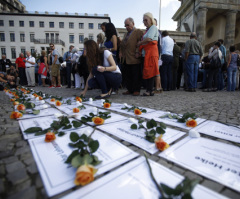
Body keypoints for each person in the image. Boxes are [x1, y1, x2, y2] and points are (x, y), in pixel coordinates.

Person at [137, 12, 159, 96]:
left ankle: (149, 90)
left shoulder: (153, 27)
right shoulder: (148, 29)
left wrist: (140, 43)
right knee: (148, 70)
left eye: (146, 20)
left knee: (150, 71)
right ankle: (149, 90)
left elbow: (149, 39)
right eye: (143, 21)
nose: (144, 22)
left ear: (151, 19)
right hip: (147, 53)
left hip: (151, 53)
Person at [120, 17, 143, 96]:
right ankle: (130, 89)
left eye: (128, 25)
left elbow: (140, 42)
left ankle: (136, 90)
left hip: (134, 57)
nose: (126, 27)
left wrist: (137, 52)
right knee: (128, 75)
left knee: (135, 74)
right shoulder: (126, 34)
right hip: (126, 58)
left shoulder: (138, 32)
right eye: (125, 25)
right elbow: (123, 45)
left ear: (133, 24)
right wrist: (121, 52)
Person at [153, 18, 163, 93]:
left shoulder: (156, 32)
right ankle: (159, 87)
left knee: (156, 71)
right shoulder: (158, 32)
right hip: (158, 54)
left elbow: (159, 45)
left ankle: (158, 87)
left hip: (157, 54)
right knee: (157, 70)